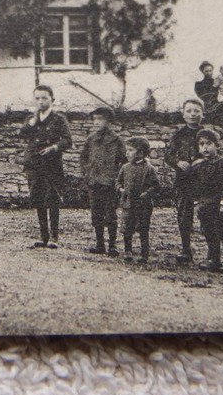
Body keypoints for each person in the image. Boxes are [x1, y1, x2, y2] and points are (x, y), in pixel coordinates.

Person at [18, 85, 72, 249]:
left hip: (51, 164)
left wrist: (55, 147)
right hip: (34, 163)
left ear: (52, 100)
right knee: (38, 198)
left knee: (52, 198)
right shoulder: (31, 118)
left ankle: (54, 237)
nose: (41, 102)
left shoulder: (58, 119)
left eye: (44, 98)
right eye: (37, 98)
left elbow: (67, 140)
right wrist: (32, 123)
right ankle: (43, 236)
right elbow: (22, 134)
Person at [78, 106, 127, 255]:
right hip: (94, 182)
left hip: (110, 184)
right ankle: (100, 244)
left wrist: (117, 179)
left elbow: (124, 161)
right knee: (96, 213)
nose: (97, 122)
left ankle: (112, 245)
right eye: (95, 119)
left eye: (101, 119)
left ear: (109, 121)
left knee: (110, 214)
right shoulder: (91, 139)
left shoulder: (117, 140)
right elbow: (83, 158)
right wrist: (87, 173)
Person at [189, 128, 223, 273]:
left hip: (220, 206)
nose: (205, 147)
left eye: (209, 144)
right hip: (206, 206)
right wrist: (197, 201)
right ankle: (213, 260)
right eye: (201, 144)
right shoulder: (199, 166)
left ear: (217, 146)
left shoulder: (222, 164)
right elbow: (196, 185)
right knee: (209, 233)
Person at [166, 98, 205, 264]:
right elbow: (168, 155)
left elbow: (214, 151)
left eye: (196, 111)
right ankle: (186, 249)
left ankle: (213, 252)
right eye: (189, 111)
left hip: (204, 178)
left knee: (207, 213)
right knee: (184, 214)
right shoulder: (178, 134)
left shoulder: (205, 133)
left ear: (202, 113)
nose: (193, 114)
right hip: (184, 179)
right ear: (183, 114)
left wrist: (201, 160)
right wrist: (177, 163)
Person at [116, 138, 159, 263]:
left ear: (140, 153)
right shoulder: (125, 168)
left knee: (143, 228)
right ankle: (128, 251)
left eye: (130, 150)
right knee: (127, 228)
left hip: (143, 205)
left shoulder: (149, 169)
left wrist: (146, 194)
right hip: (128, 204)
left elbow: (156, 186)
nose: (127, 153)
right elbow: (118, 181)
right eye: (126, 150)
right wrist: (120, 189)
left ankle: (144, 254)